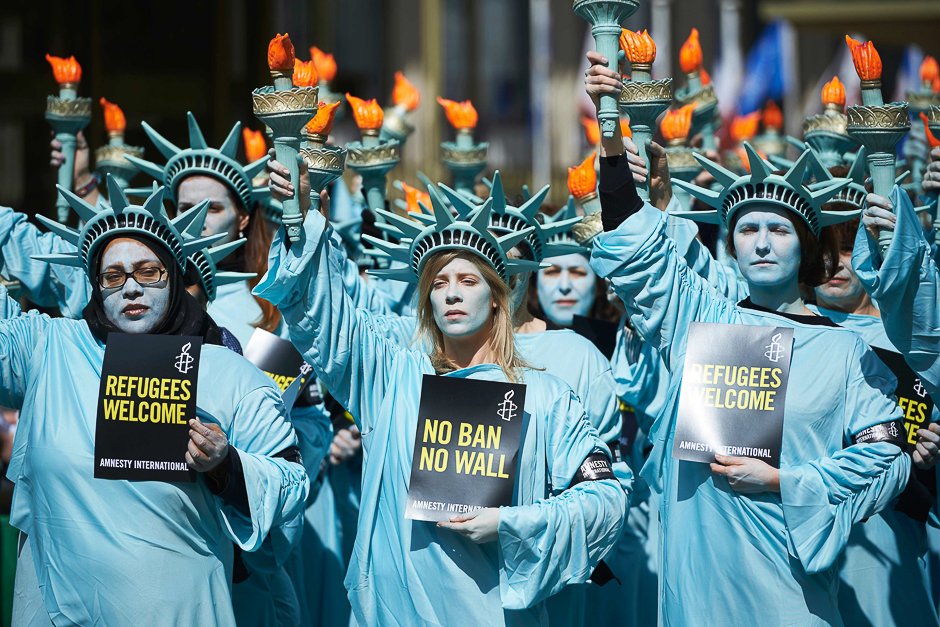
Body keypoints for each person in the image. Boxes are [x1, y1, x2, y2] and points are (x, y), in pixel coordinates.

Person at [583, 50, 935, 626]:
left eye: (779, 229)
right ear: (733, 246)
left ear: (808, 249)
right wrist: (610, 127)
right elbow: (633, 241)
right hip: (692, 599)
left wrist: (788, 482)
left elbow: (889, 458)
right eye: (747, 230)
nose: (763, 243)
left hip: (789, 601)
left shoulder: (845, 349)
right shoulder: (704, 322)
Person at [254, 167, 628, 626]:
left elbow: (606, 496)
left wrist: (512, 523)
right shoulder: (390, 378)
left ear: (497, 295)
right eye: (438, 283)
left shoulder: (547, 395)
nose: (451, 294)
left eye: (468, 282)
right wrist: (300, 219)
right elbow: (323, 319)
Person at [3, 179, 309, 626]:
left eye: (148, 272)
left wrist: (226, 466)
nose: (130, 288)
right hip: (58, 609)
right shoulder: (48, 347)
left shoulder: (230, 372)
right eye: (113, 276)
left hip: (175, 609)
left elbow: (291, 482)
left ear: (174, 276)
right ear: (95, 287)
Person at [125, 112, 281, 346]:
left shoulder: (278, 298)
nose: (196, 221)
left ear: (242, 219)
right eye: (186, 208)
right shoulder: (141, 291)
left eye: (212, 208)